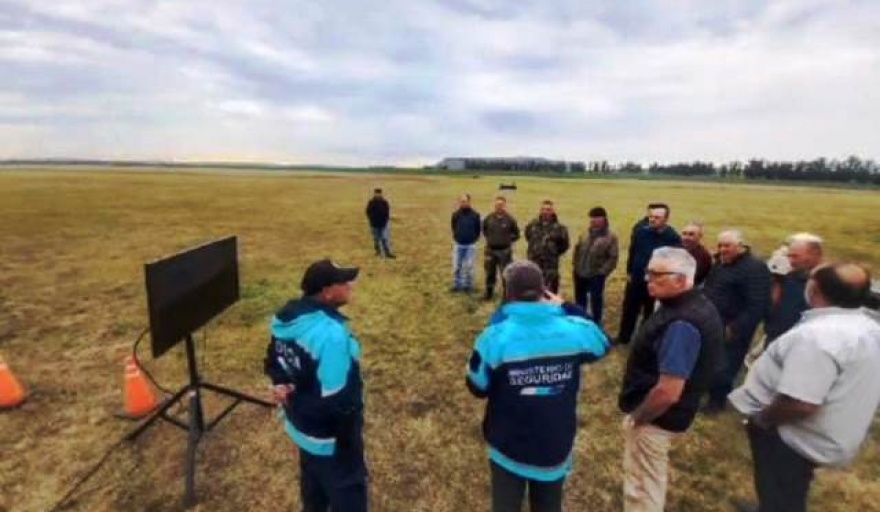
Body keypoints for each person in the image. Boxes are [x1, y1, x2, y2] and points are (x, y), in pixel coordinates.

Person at [729, 263, 880, 512]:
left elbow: (800, 403)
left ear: (815, 289)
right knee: (785, 488)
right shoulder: (868, 329)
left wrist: (763, 421)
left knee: (782, 490)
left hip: (793, 437)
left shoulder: (817, 338)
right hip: (829, 434)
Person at [467, 260, 610, 512]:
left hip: (507, 445)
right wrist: (565, 306)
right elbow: (601, 341)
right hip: (555, 443)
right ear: (544, 290)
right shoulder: (576, 331)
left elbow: (477, 386)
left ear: (507, 292)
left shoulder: (493, 337)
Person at [618, 248, 723, 512]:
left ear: (681, 279)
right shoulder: (693, 304)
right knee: (650, 478)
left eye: (657, 275)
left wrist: (638, 418)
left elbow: (668, 391)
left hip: (656, 420)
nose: (648, 279)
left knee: (642, 484)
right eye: (648, 272)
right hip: (670, 415)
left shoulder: (681, 324)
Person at [264, 259, 368, 511]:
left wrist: (282, 386)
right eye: (345, 282)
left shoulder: (286, 320)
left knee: (313, 492)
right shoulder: (331, 335)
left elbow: (273, 361)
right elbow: (338, 402)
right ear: (327, 291)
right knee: (348, 495)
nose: (351, 286)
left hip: (300, 430)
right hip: (332, 441)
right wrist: (348, 436)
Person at [702, 230, 772, 414]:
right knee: (708, 358)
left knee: (724, 365)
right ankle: (705, 389)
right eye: (720, 245)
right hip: (712, 320)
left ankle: (716, 402)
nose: (722, 249)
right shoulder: (722, 262)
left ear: (741, 246)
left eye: (727, 246)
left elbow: (757, 305)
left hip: (732, 327)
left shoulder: (754, 268)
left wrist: (734, 327)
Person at [617, 204, 681, 344]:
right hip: (636, 278)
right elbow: (633, 252)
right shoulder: (641, 232)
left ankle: (644, 340)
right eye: (651, 216)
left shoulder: (673, 238)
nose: (652, 220)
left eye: (657, 217)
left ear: (666, 219)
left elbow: (674, 261)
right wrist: (629, 271)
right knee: (629, 309)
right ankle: (623, 337)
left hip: (656, 282)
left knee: (650, 312)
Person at [763, 233, 823, 344]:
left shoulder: (826, 281)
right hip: (775, 339)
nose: (790, 261)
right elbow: (768, 309)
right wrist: (776, 281)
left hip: (805, 344)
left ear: (815, 255)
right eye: (788, 256)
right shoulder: (784, 277)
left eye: (795, 256)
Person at [572, 206, 619, 323]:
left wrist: (602, 272)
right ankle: (580, 320)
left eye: (596, 218)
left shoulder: (610, 237)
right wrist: (575, 265)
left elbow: (613, 258)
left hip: (596, 275)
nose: (593, 220)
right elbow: (577, 250)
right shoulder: (584, 234)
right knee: (580, 299)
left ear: (604, 219)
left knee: (596, 300)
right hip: (580, 273)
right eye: (591, 218)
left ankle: (596, 322)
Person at [524, 200, 570, 294]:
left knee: (550, 292)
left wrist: (552, 252)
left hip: (550, 266)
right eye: (543, 209)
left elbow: (564, 245)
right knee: (533, 289)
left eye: (548, 210)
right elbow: (528, 237)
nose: (545, 212)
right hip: (534, 263)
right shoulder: (532, 225)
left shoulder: (560, 228)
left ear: (553, 211)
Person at [482, 196, 521, 301]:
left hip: (505, 252)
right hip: (490, 251)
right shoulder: (489, 218)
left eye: (501, 205)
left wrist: (507, 240)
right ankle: (488, 294)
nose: (499, 207)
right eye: (497, 205)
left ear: (505, 206)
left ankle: (507, 296)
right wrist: (491, 239)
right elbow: (484, 230)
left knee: (505, 274)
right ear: (495, 205)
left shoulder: (510, 219)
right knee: (490, 273)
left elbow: (517, 234)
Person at [451, 193, 482, 293]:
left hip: (470, 245)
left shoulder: (475, 215)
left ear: (469, 202)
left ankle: (469, 286)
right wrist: (457, 236)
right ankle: (457, 285)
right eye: (461, 201)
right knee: (457, 266)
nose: (463, 203)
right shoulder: (455, 215)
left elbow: (478, 229)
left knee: (469, 266)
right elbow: (454, 227)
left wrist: (473, 239)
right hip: (458, 244)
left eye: (465, 201)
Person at [365, 188, 395, 259]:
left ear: (381, 194)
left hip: (383, 224)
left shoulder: (385, 202)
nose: (378, 194)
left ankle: (387, 253)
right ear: (374, 194)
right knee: (376, 239)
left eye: (379, 193)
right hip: (374, 224)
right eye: (376, 193)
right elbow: (368, 212)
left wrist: (386, 221)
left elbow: (387, 213)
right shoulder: (371, 202)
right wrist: (371, 220)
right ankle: (378, 252)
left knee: (384, 238)